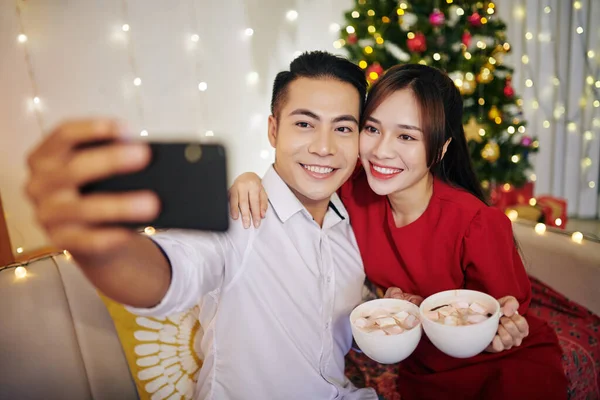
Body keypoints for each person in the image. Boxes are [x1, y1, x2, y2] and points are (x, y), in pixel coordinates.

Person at [25, 51, 379, 400]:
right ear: (274, 130)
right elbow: (174, 268)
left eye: (343, 128)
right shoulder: (237, 217)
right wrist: (103, 246)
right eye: (304, 124)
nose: (324, 147)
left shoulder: (351, 224)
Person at [228, 63, 568, 399]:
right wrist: (250, 179)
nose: (381, 151)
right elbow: (299, 176)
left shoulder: (477, 224)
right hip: (422, 365)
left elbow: (505, 316)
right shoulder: (352, 191)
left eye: (406, 136)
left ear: (442, 147)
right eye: (373, 129)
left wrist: (505, 330)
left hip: (502, 365)